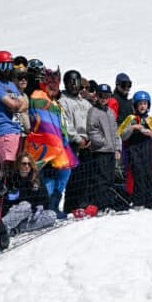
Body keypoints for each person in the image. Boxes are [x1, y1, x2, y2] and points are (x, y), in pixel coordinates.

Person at [25, 66, 78, 216]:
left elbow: (60, 124)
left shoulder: (54, 102)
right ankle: (46, 208)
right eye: (51, 84)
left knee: (64, 172)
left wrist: (63, 141)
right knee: (46, 176)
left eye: (56, 84)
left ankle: (54, 206)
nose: (54, 87)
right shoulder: (38, 96)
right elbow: (43, 123)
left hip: (58, 146)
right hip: (43, 146)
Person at [118, 90, 152, 208]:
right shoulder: (130, 119)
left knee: (149, 174)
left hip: (147, 151)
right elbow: (122, 134)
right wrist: (133, 128)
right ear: (136, 105)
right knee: (138, 174)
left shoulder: (150, 120)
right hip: (134, 150)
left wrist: (151, 134)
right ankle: (138, 201)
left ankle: (148, 201)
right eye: (140, 104)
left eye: (145, 104)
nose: (142, 106)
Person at [0, 51, 28, 173]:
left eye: (10, 66)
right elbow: (14, 105)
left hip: (17, 130)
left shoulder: (10, 84)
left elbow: (24, 104)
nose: (7, 70)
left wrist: (17, 105)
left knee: (19, 171)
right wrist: (16, 104)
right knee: (8, 172)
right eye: (4, 66)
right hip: (5, 132)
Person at [86, 83, 123, 211]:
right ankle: (101, 206)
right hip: (100, 151)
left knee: (110, 178)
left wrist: (117, 148)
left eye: (107, 96)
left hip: (111, 151)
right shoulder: (93, 111)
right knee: (101, 179)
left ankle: (108, 204)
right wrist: (102, 142)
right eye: (101, 95)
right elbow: (92, 130)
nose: (104, 98)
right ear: (97, 95)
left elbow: (115, 131)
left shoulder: (110, 112)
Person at [1, 151, 56, 234]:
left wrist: (39, 207)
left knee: (52, 215)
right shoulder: (11, 179)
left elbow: (45, 200)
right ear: (19, 164)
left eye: (29, 164)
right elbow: (5, 201)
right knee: (25, 205)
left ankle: (18, 229)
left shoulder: (36, 179)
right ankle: (2, 229)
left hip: (31, 214)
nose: (27, 166)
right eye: (24, 163)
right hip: (15, 212)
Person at [60, 69, 91, 211]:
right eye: (70, 82)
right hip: (73, 144)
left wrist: (91, 137)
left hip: (88, 143)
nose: (73, 84)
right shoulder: (63, 101)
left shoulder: (85, 103)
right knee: (73, 177)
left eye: (76, 81)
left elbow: (93, 121)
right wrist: (77, 139)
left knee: (86, 175)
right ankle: (71, 207)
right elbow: (65, 123)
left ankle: (83, 204)